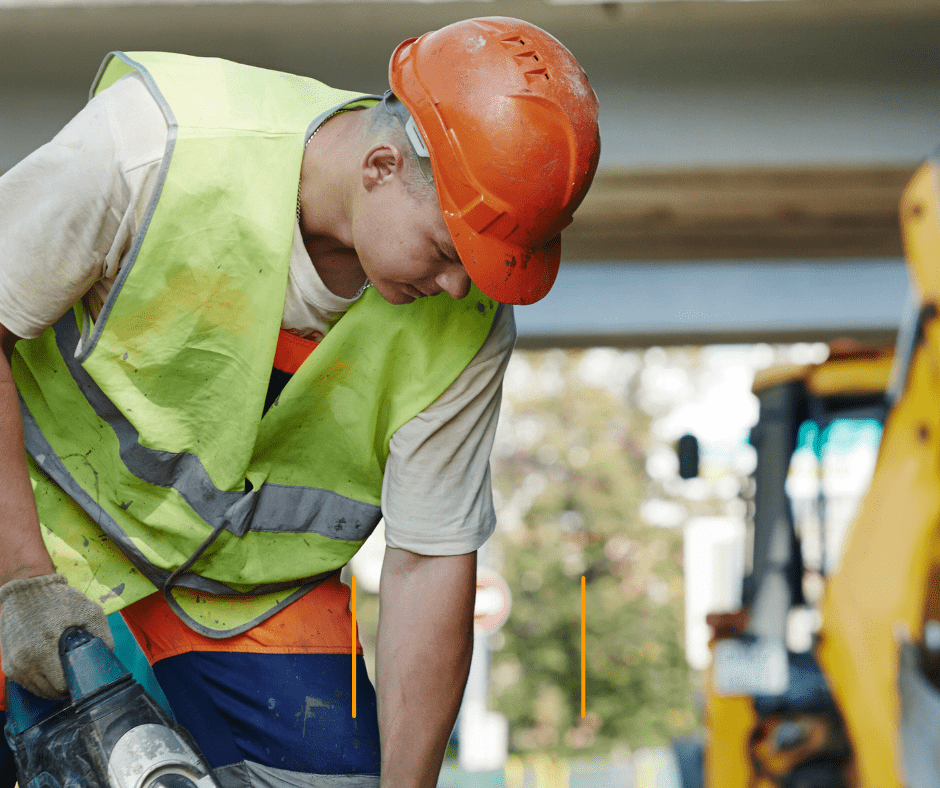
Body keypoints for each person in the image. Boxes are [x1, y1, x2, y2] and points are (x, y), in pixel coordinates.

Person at [0, 16, 600, 788]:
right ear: (382, 166)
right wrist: (21, 579)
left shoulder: (470, 324)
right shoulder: (159, 143)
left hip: (246, 597)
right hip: (39, 546)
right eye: (450, 252)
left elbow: (427, 559)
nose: (459, 287)